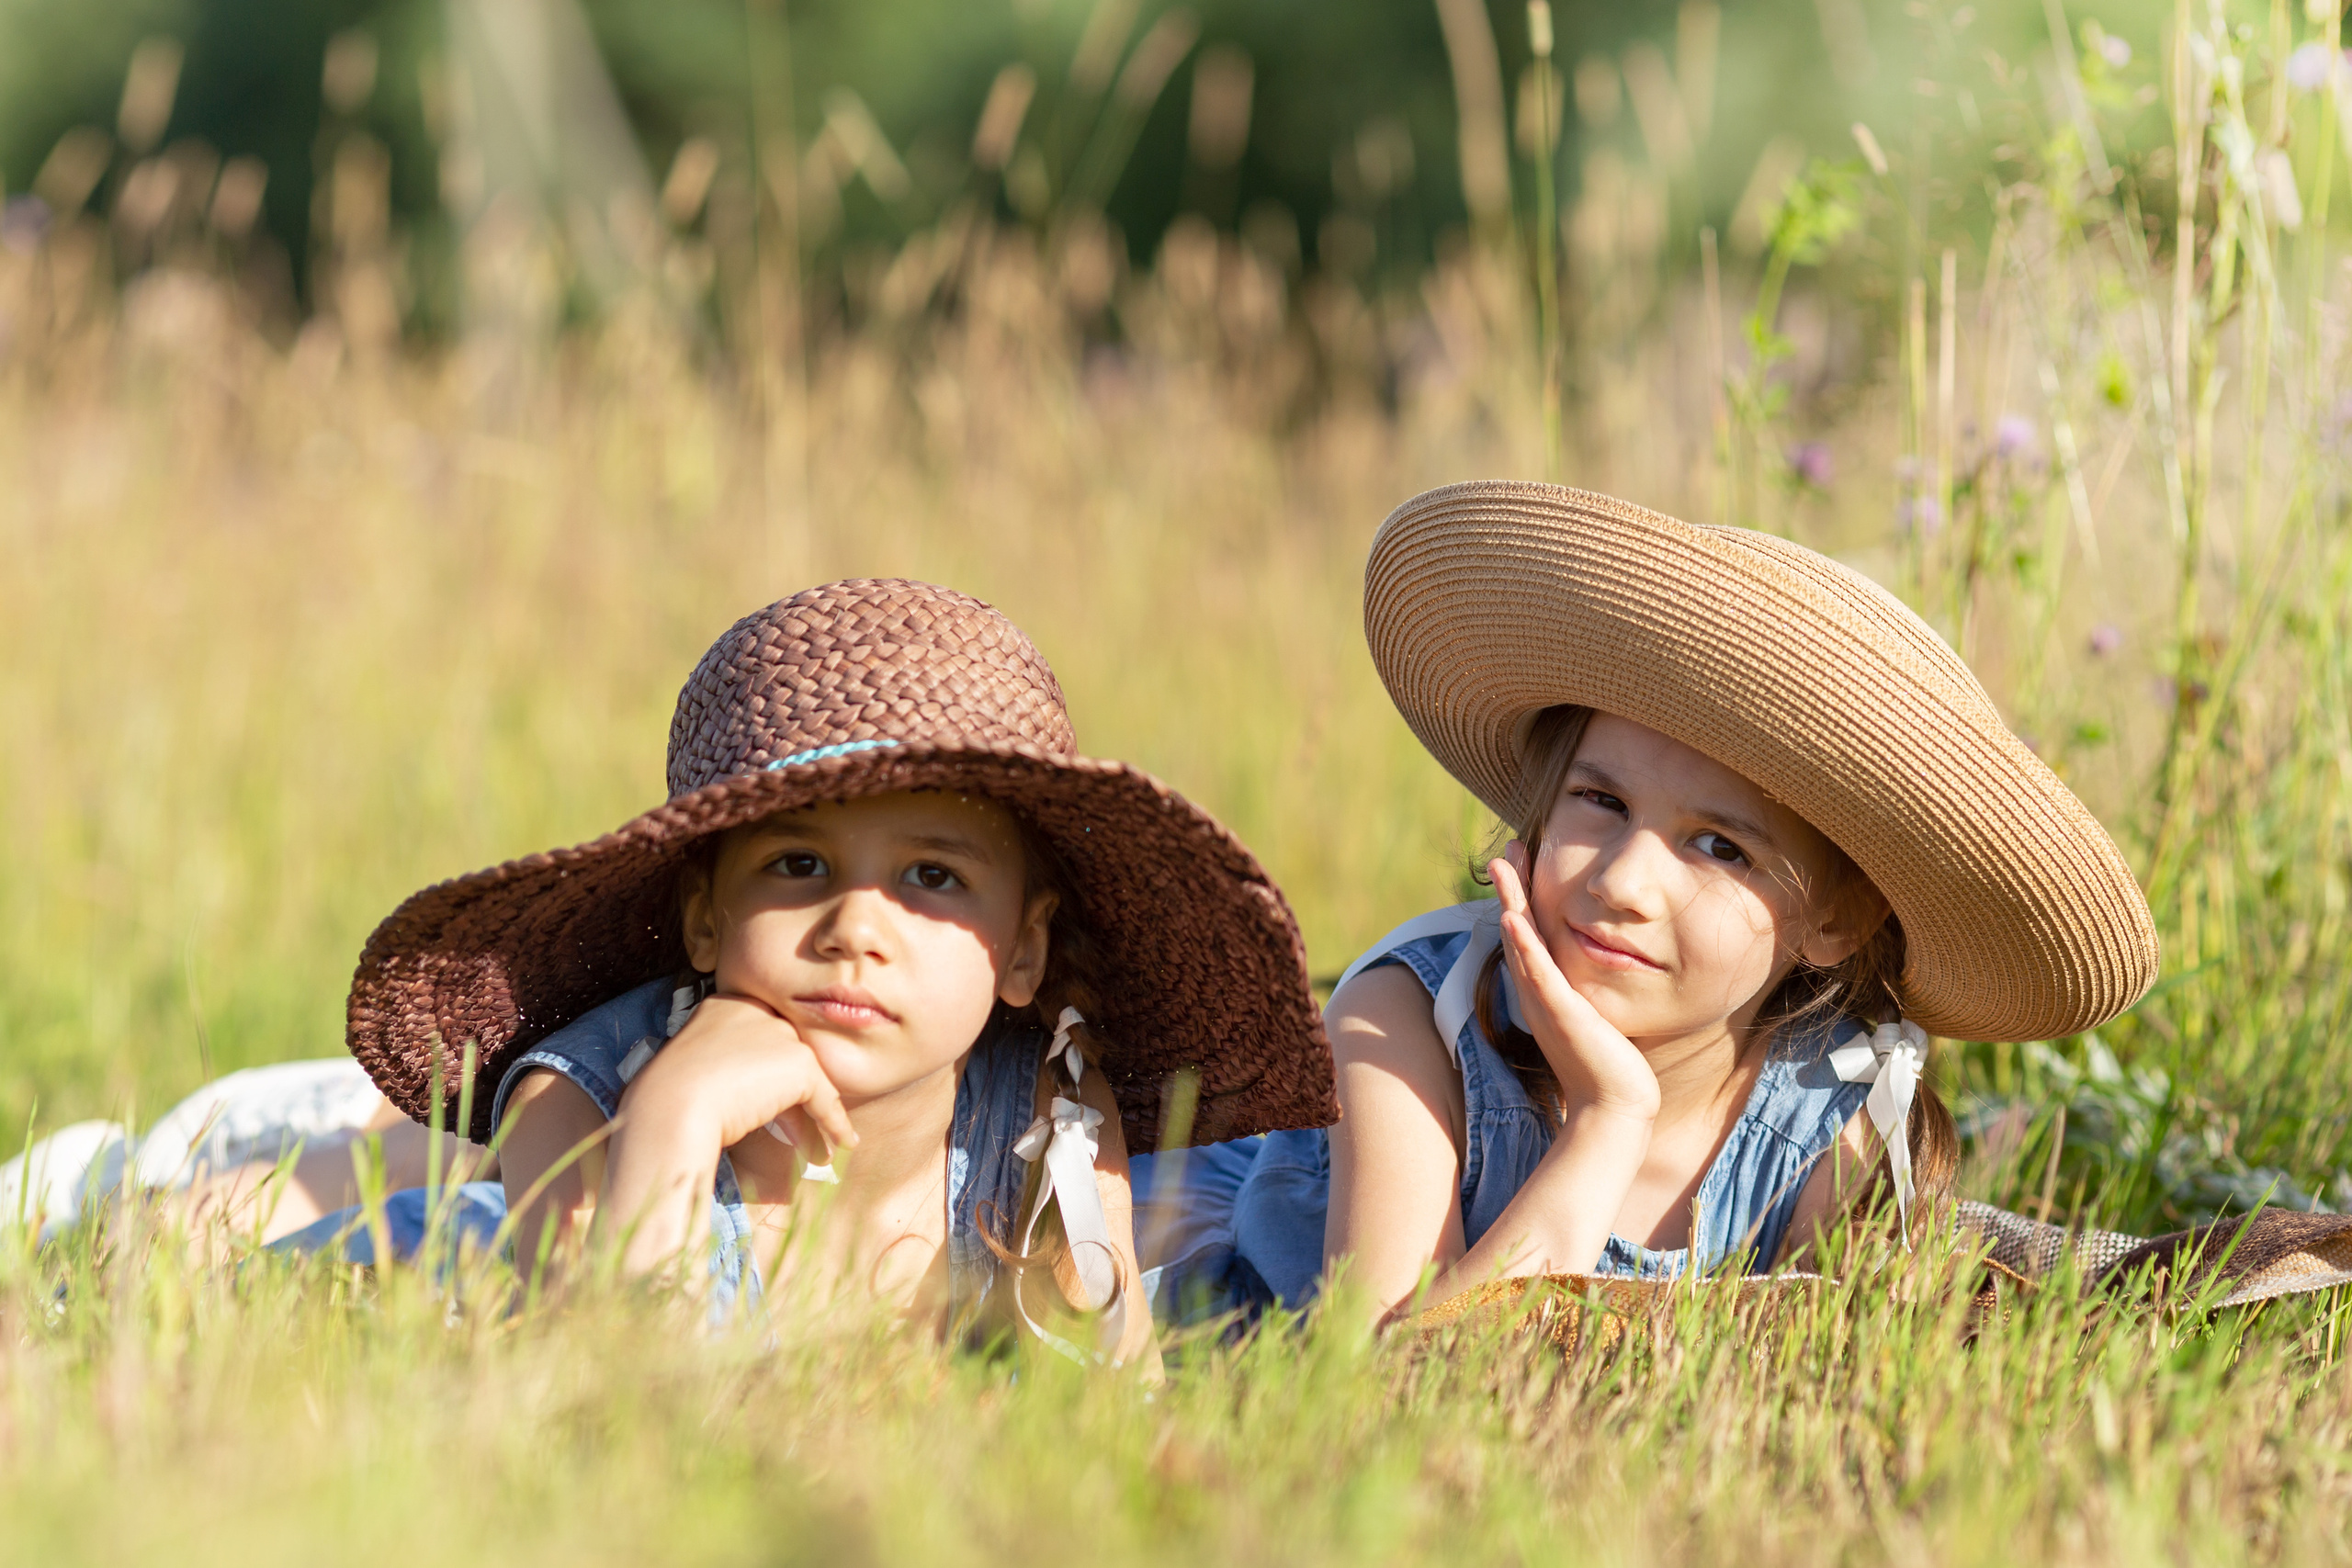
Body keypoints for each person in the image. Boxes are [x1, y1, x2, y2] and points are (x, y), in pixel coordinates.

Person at [1141, 480, 2159, 1328]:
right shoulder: (1407, 1019)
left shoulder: (1830, 1112)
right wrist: (1606, 1123)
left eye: (1718, 846)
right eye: (1599, 800)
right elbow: (1393, 1380)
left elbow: (1833, 1376)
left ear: (1833, 923)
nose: (1623, 882)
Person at [315, 578, 1333, 1358]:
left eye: (932, 875)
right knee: (288, 1223)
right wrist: (672, 1116)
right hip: (452, 1259)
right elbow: (603, 1385)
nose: (855, 925)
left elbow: (1111, 1386)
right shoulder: (572, 1099)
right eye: (797, 866)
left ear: (1022, 949)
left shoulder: (1051, 1104)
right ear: (706, 921)